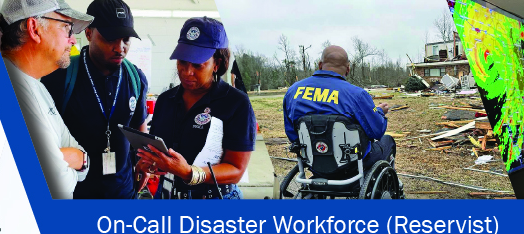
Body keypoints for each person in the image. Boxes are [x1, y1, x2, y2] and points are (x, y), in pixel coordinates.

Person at [135, 17, 256, 199]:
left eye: (198, 65)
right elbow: (160, 150)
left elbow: (236, 170)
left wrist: (190, 173)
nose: (187, 71)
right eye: (182, 62)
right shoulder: (166, 100)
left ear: (217, 64)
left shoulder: (236, 103)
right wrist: (148, 163)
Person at [40, 0, 149, 199]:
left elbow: (139, 128)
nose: (120, 48)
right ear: (89, 33)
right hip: (76, 193)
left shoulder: (135, 78)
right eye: (110, 38)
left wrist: (145, 162)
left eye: (126, 39)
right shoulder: (59, 76)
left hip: (123, 193)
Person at [0, 0, 94, 199]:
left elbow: (83, 159)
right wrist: (68, 159)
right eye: (67, 27)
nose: (73, 40)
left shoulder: (38, 87)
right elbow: (57, 185)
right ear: (34, 29)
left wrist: (73, 158)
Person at [282, 45, 395, 186]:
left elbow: (293, 135)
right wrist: (379, 112)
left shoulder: (293, 92)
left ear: (320, 65)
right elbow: (377, 131)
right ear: (348, 68)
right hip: (353, 166)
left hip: (314, 163)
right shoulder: (356, 94)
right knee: (388, 141)